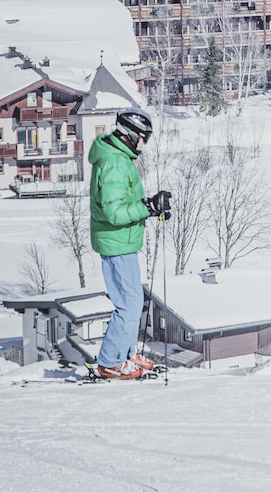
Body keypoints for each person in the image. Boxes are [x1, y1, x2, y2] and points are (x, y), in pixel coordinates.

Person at [88, 107, 172, 380]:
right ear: (130, 134)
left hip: (121, 243)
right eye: (143, 137)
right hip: (117, 245)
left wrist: (149, 207)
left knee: (133, 302)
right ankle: (110, 363)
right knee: (129, 305)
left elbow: (123, 204)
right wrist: (146, 206)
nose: (144, 143)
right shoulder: (113, 163)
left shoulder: (118, 159)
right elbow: (114, 213)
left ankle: (124, 355)